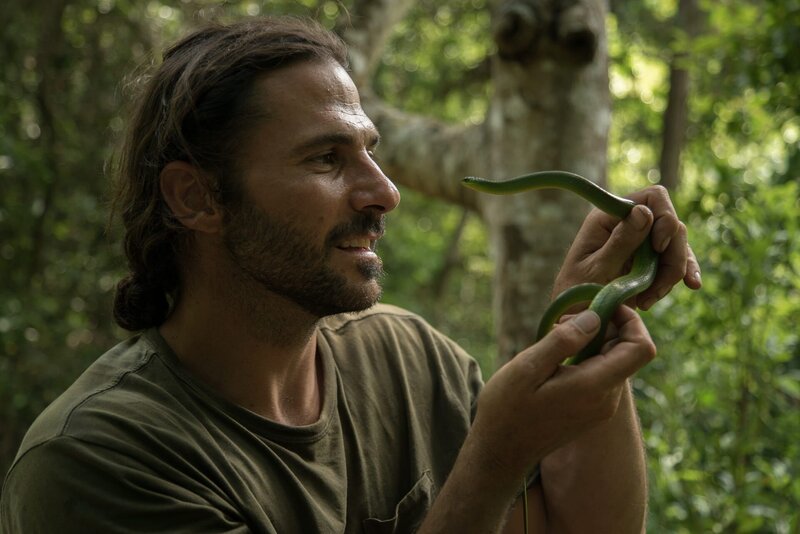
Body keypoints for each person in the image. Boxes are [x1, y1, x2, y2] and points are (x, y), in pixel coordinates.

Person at [0, 16, 701, 534]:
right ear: (196, 198)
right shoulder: (98, 460)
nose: (385, 192)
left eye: (370, 151)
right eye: (326, 160)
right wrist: (492, 460)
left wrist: (590, 327)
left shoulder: (408, 360)